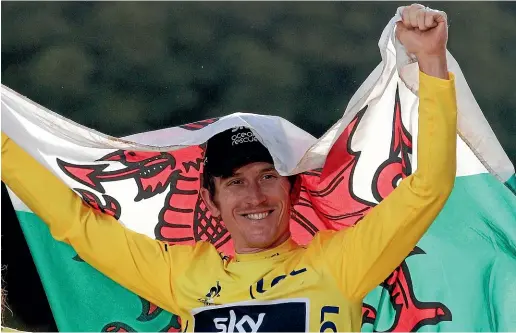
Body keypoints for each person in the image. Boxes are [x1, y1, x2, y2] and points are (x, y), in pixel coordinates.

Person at [1, 4, 457, 332]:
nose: (254, 196)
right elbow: (72, 222)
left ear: (293, 192)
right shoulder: (183, 275)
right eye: (234, 182)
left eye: (267, 177)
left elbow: (428, 188)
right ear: (210, 200)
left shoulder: (341, 264)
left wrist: (431, 61)